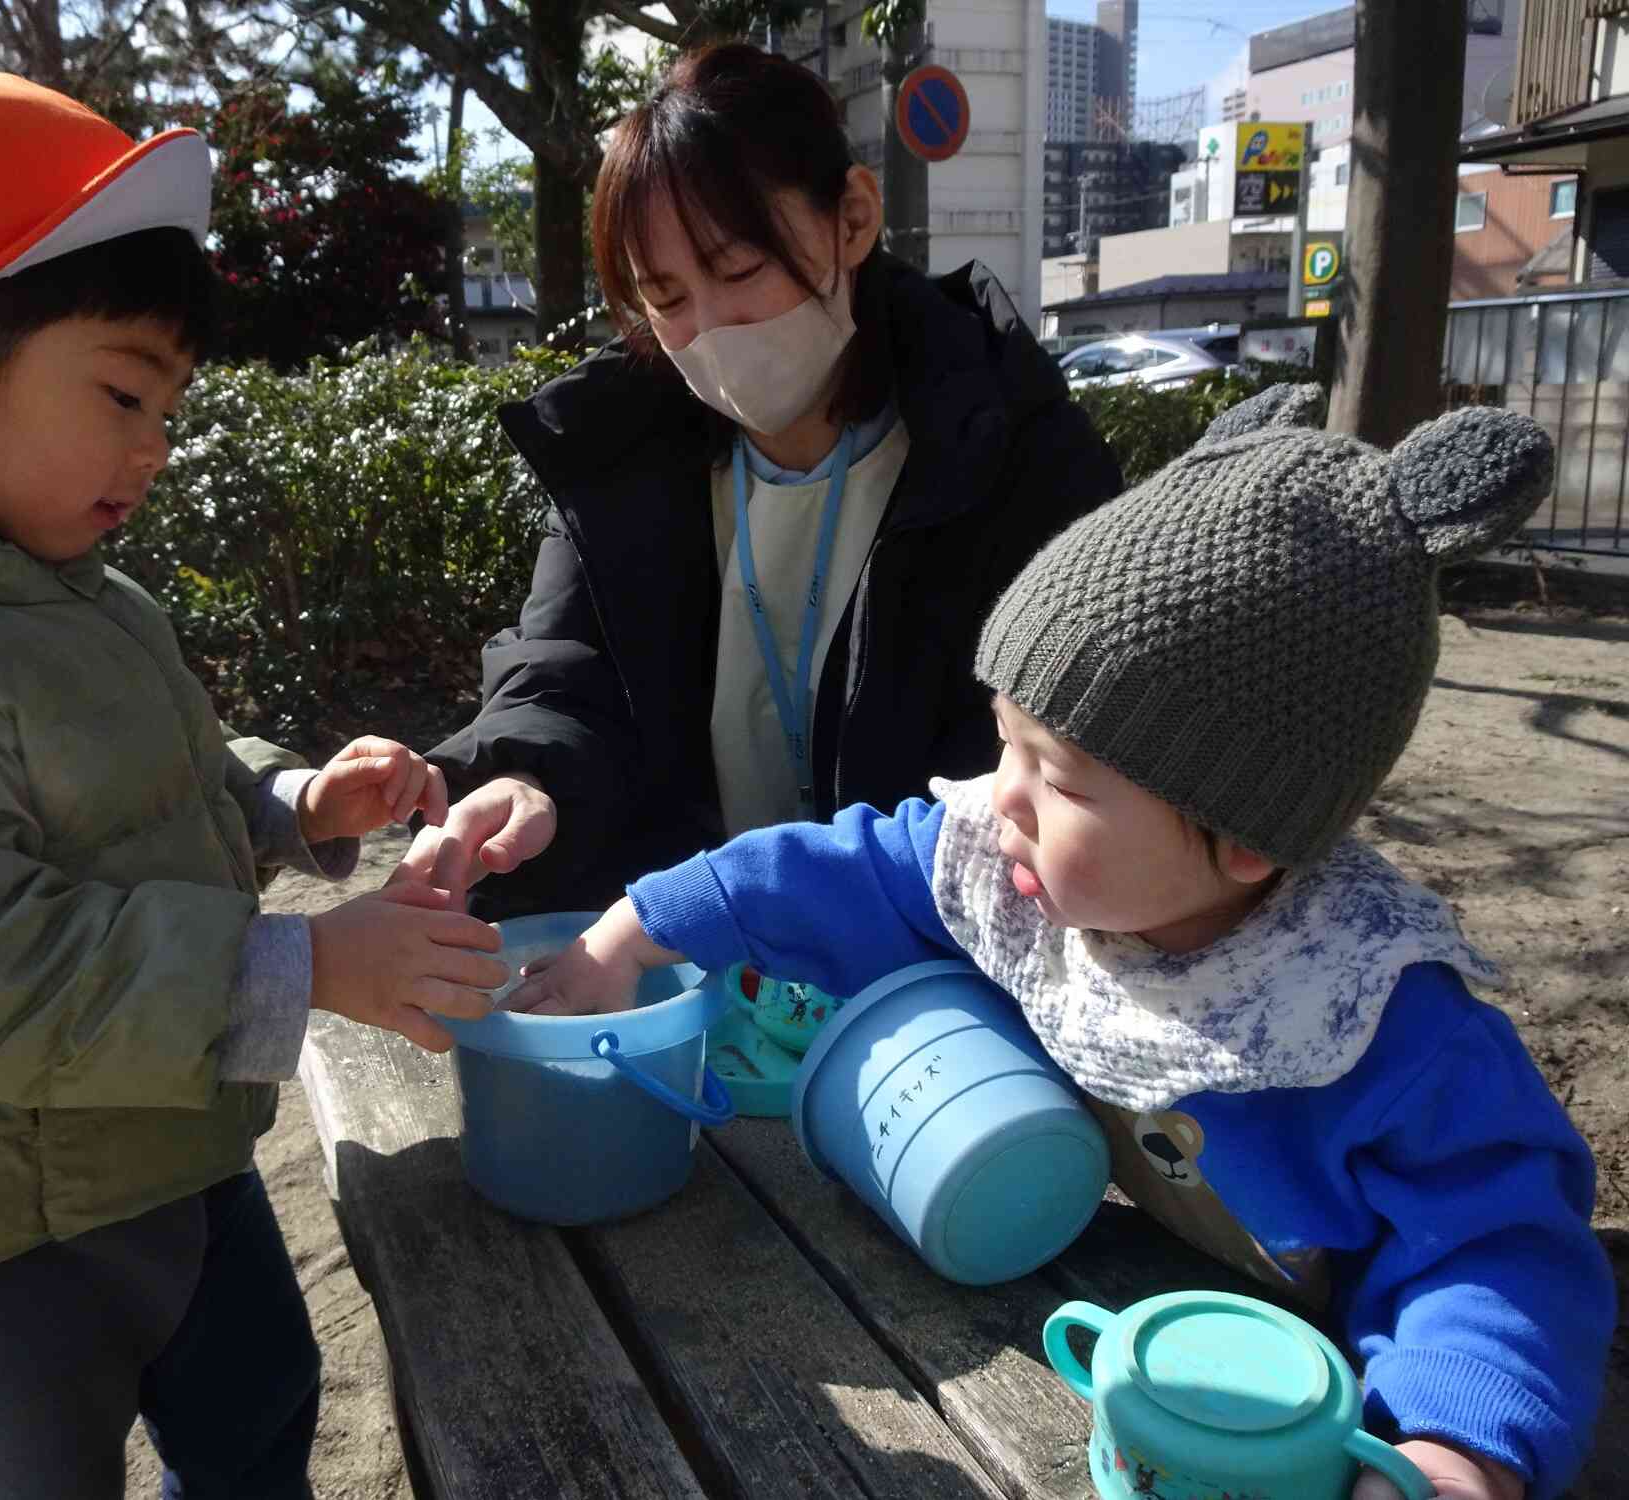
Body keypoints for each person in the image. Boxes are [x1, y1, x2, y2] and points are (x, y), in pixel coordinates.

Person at [508, 387, 1613, 1500]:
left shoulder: (1371, 1012)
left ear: (1242, 837)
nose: (1002, 802)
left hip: (1304, 1398)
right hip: (1103, 1306)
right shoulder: (1015, 865)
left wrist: (1451, 1451)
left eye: (1061, 778)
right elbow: (828, 870)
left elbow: (1499, 1254)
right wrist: (630, 935)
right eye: (1007, 745)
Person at [0, 72, 506, 1500]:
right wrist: (303, 966)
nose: (154, 447)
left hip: (171, 1149)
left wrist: (299, 802)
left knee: (260, 1419)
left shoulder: (77, 591)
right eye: (124, 392)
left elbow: (165, 788)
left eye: (168, 404)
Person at [403, 41, 1121, 919]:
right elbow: (564, 672)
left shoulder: (1011, 454)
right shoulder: (620, 451)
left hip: (927, 958)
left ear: (853, 219)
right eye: (664, 298)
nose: (708, 329)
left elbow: (1040, 771)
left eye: (738, 269)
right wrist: (527, 776)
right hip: (679, 957)